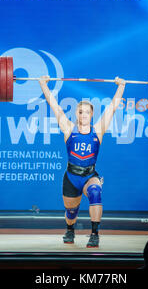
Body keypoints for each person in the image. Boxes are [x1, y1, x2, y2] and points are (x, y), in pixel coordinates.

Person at [38, 75, 126, 248]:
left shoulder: (98, 130)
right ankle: (70, 230)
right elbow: (53, 105)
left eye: (87, 112)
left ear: (92, 114)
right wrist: (43, 84)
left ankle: (95, 234)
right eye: (80, 112)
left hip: (89, 176)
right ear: (76, 114)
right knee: (71, 212)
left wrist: (121, 86)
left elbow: (113, 107)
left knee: (95, 191)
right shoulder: (68, 128)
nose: (83, 115)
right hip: (71, 177)